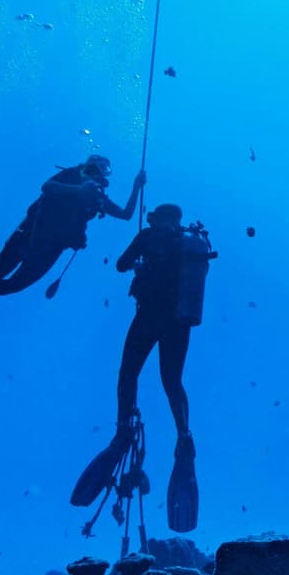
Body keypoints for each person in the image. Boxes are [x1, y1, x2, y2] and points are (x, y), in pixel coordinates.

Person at [72, 200, 214, 531]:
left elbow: (120, 265)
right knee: (172, 380)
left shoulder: (147, 236)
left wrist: (140, 262)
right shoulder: (189, 242)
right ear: (177, 219)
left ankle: (123, 428)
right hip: (178, 321)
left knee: (128, 374)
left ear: (156, 217)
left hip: (148, 316)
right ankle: (184, 433)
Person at [0, 156, 142, 358]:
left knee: (14, 285)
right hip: (26, 236)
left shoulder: (97, 197)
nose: (93, 173)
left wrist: (136, 187)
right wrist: (79, 191)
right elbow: (47, 187)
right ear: (84, 166)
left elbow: (126, 214)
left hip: (50, 250)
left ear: (103, 177)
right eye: (91, 168)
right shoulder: (70, 176)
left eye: (99, 171)